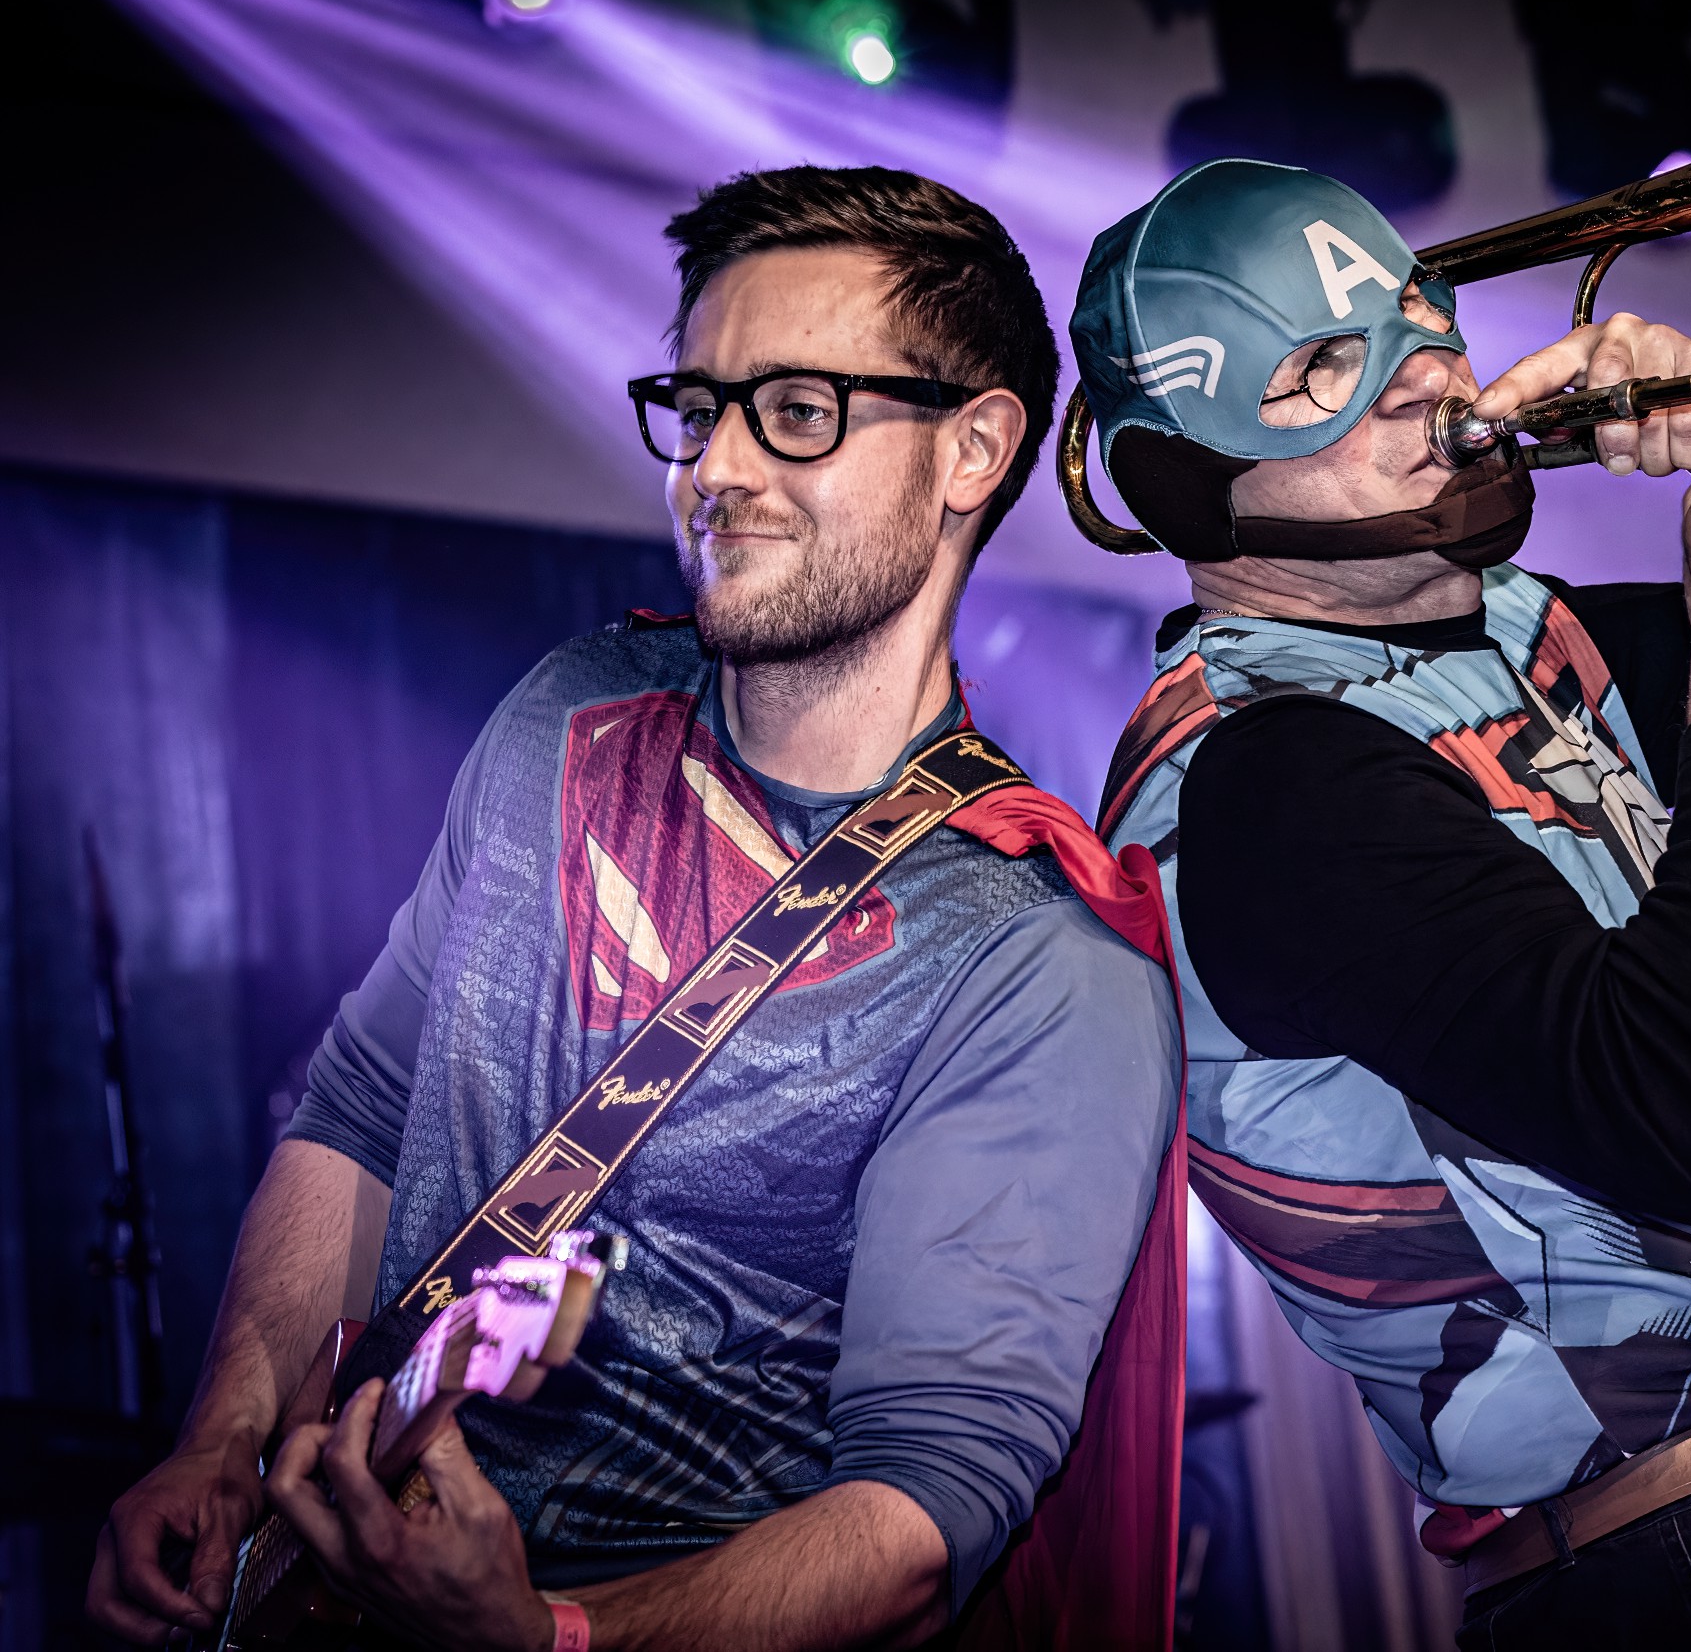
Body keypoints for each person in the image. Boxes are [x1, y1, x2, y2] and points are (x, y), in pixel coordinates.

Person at [89, 166, 1184, 1652]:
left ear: (972, 450)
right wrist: (223, 1436)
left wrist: (550, 1636)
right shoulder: (563, 715)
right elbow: (362, 1109)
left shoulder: (1030, 949)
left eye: (796, 410)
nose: (713, 466)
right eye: (700, 405)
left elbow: (920, 1513)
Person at [1074, 158, 1691, 1648]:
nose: (1423, 376)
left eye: (1416, 317)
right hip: (1688, 1565)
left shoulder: (1521, 644)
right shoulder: (1264, 779)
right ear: (1184, 484)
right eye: (1319, 371)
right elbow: (1687, 1133)